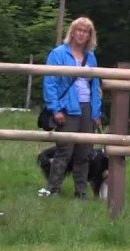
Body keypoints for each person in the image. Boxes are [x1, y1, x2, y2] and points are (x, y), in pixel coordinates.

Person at [42, 16, 102, 200]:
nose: (81, 34)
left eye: (86, 31)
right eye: (79, 30)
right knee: (64, 151)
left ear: (90, 36)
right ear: (72, 32)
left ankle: (81, 192)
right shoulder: (58, 53)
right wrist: (55, 109)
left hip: (87, 107)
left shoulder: (91, 57)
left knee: (84, 152)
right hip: (67, 107)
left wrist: (96, 112)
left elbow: (95, 86)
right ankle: (53, 190)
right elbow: (49, 83)